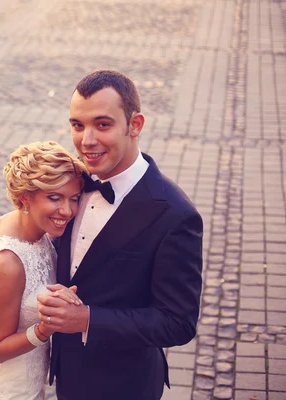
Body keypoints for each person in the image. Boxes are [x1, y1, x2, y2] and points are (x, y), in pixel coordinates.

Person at [37, 70, 204, 400]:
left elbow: (178, 322)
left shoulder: (175, 215)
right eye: (77, 125)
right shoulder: (73, 182)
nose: (86, 140)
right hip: (67, 374)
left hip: (123, 386)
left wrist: (87, 319)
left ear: (135, 125)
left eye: (103, 125)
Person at [0, 141, 87, 399]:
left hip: (27, 380)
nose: (67, 210)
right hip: (4, 390)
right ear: (24, 198)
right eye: (54, 198)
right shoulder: (7, 262)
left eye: (73, 199)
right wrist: (45, 328)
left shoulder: (25, 224)